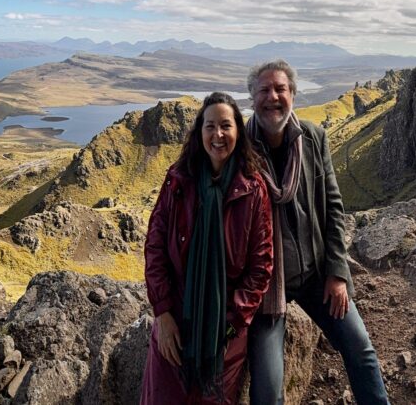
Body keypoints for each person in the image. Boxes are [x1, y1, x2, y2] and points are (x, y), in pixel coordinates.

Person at [245, 60, 390, 405]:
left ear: (292, 94)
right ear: (252, 98)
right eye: (264, 90)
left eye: (280, 89)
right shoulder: (240, 150)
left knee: (361, 350)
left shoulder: (313, 138)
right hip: (266, 289)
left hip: (316, 275)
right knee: (267, 391)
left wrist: (338, 274)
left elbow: (333, 208)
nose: (273, 97)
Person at [141, 92, 274, 404]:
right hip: (175, 317)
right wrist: (162, 312)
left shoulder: (253, 190)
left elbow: (261, 266)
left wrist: (231, 325)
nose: (218, 135)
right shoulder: (178, 180)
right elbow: (155, 246)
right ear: (199, 132)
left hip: (224, 335)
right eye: (210, 126)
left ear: (238, 132)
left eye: (225, 126)